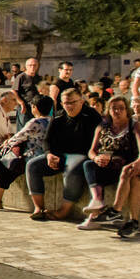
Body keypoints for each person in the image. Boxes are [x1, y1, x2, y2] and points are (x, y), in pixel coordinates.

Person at [26, 88, 100, 220]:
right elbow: (47, 140)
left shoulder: (92, 116)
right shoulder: (58, 116)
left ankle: (64, 210)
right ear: (61, 104)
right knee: (32, 165)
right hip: (59, 155)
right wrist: (49, 154)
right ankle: (39, 207)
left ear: (81, 102)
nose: (69, 106)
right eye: (66, 103)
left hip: (81, 154)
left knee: (71, 169)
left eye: (73, 102)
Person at [0, 95, 53, 208]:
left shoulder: (35, 122)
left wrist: (4, 144)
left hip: (30, 157)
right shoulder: (53, 121)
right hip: (43, 156)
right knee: (5, 167)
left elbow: (19, 137)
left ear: (34, 108)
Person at [77, 95, 140, 229]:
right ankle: (97, 202)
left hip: (126, 164)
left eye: (121, 108)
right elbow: (91, 151)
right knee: (88, 164)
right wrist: (96, 158)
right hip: (105, 166)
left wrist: (137, 162)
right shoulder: (102, 126)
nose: (117, 111)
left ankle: (117, 213)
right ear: (109, 110)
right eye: (114, 108)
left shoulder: (134, 125)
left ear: (126, 110)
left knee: (132, 176)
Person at [12, 57, 41, 131]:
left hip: (36, 108)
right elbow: (14, 91)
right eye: (30, 65)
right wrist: (21, 103)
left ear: (37, 66)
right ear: (26, 66)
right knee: (23, 130)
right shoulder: (21, 77)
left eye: (34, 65)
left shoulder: (39, 78)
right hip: (25, 108)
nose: (32, 67)